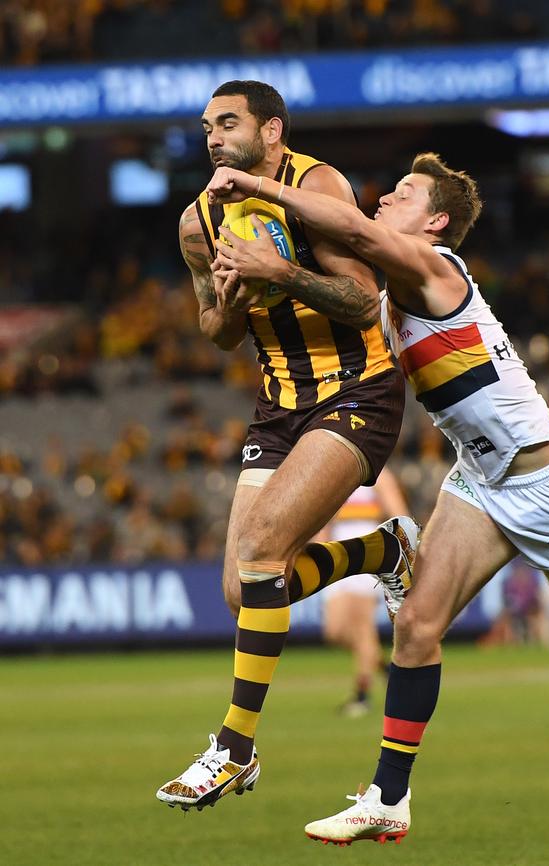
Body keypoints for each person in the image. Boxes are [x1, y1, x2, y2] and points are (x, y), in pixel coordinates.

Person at [205, 153, 549, 842]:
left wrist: (263, 186)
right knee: (415, 628)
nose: (384, 198)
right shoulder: (388, 295)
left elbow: (351, 231)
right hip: (478, 479)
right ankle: (388, 796)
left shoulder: (432, 266)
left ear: (436, 221)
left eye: (404, 193)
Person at [156, 80, 414, 812]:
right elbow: (215, 329)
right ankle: (383, 552)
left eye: (228, 122)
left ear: (273, 131)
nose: (213, 135)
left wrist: (281, 273)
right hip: (278, 406)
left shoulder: (317, 184)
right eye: (207, 125)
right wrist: (236, 301)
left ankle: (233, 747)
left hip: (358, 390)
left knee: (265, 547)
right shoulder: (197, 221)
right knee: (244, 589)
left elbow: (366, 298)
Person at [320, 466, 410, 717]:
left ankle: (362, 696)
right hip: (337, 554)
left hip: (366, 555)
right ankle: (385, 667)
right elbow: (325, 516)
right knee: (334, 630)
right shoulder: (338, 473)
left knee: (361, 627)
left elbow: (399, 516)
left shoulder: (380, 476)